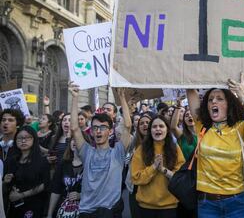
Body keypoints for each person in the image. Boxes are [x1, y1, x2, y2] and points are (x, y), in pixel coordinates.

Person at [186, 72, 244, 218]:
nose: (213, 102)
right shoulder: (201, 125)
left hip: (237, 203)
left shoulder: (241, 127)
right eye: (210, 100)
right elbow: (189, 87)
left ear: (229, 104)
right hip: (207, 204)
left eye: (219, 99)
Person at [69, 82, 131, 217]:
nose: (98, 131)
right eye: (95, 128)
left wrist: (122, 97)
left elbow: (127, 126)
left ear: (110, 132)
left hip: (109, 212)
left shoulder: (118, 152)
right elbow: (74, 128)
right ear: (91, 132)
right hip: (87, 211)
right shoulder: (86, 152)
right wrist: (74, 98)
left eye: (102, 128)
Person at [130, 115, 185, 217]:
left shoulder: (175, 149)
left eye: (161, 126)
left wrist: (163, 170)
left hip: (169, 207)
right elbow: (136, 178)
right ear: (150, 131)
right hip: (145, 207)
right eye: (154, 127)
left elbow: (181, 179)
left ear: (167, 129)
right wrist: (153, 167)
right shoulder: (141, 150)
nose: (158, 129)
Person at [3, 125, 50, 218]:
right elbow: (5, 185)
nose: (23, 141)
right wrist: (5, 181)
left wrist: (22, 195)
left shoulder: (42, 160)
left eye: (27, 137)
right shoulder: (11, 161)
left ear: (34, 139)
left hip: (35, 205)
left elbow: (45, 184)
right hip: (13, 206)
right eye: (20, 138)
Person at [47, 138, 83, 218]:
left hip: (84, 210)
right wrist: (49, 214)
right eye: (72, 139)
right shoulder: (63, 163)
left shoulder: (90, 164)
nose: (74, 141)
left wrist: (81, 195)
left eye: (77, 139)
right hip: (64, 210)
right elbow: (56, 190)